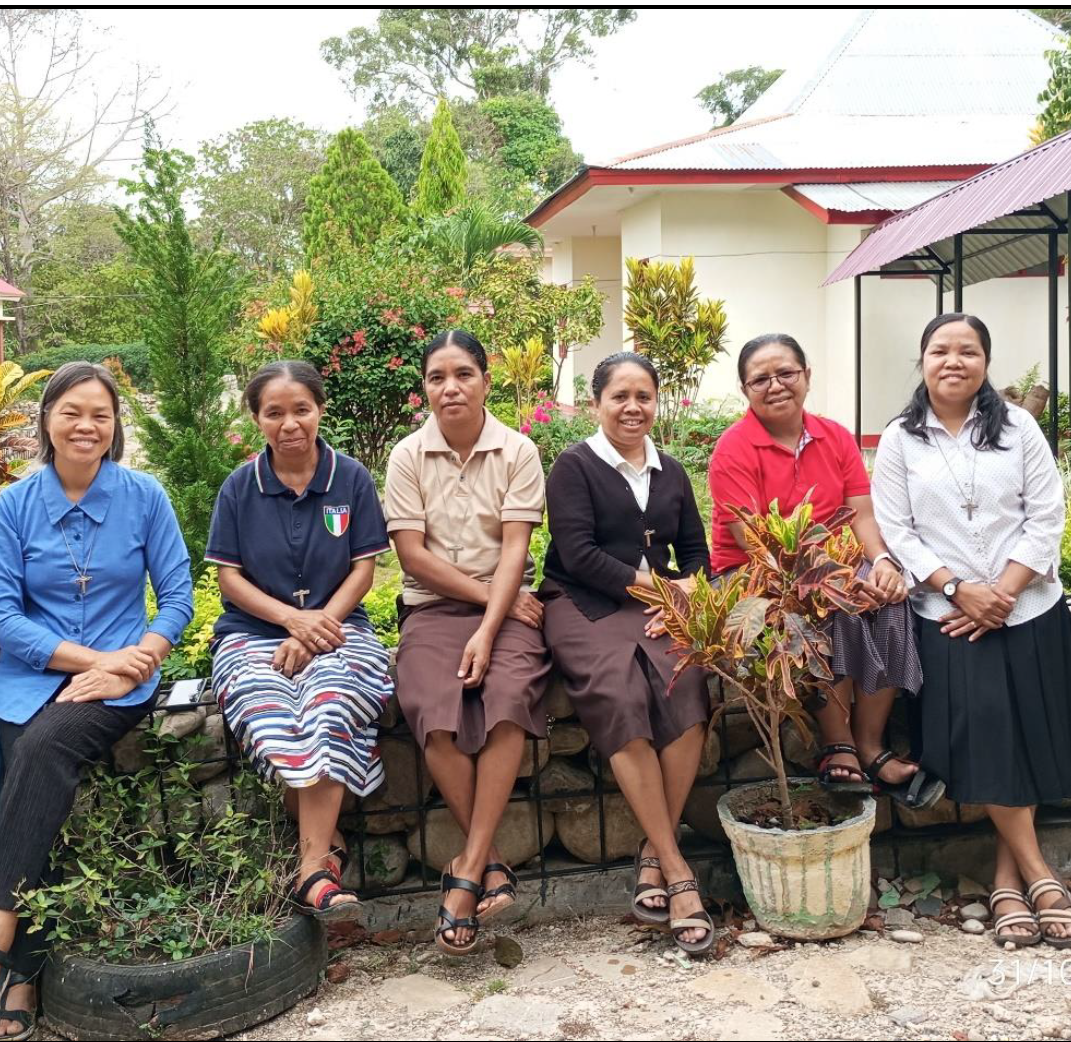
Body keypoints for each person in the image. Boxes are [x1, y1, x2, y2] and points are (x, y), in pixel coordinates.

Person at [0, 362, 195, 1039]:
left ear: (114, 429)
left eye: (101, 415)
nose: (86, 426)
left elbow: (177, 598)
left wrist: (133, 663)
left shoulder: (144, 497)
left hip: (122, 683)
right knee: (30, 774)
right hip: (31, 678)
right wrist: (97, 660)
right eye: (71, 412)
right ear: (46, 421)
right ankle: (24, 981)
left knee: (44, 747)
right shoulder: (14, 508)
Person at [872, 313, 1071, 949]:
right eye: (940, 350)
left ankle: (1004, 878)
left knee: (1025, 738)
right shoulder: (899, 440)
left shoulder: (1019, 427)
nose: (954, 361)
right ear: (923, 360)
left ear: (985, 363)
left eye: (968, 351)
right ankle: (1040, 876)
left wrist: (1004, 592)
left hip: (1028, 609)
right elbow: (897, 529)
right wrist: (956, 588)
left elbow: (1047, 514)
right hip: (949, 618)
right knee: (989, 734)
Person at [708, 333, 942, 810]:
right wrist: (831, 579)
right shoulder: (734, 449)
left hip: (835, 565)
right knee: (831, 608)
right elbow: (749, 539)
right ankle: (839, 743)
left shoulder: (834, 436)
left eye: (786, 373)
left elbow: (861, 514)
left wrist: (881, 563)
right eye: (760, 379)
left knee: (890, 601)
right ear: (745, 389)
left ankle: (871, 745)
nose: (775, 385)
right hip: (756, 576)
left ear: (807, 376)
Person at [539, 351, 716, 955]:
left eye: (644, 395)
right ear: (596, 403)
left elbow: (696, 549)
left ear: (656, 402)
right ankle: (676, 869)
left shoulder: (671, 472)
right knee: (619, 690)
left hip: (656, 604)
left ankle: (651, 855)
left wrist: (691, 584)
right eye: (620, 396)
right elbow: (580, 553)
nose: (633, 407)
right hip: (582, 602)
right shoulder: (573, 466)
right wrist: (663, 589)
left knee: (687, 686)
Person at [207, 360, 394, 920]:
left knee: (333, 700)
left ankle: (312, 866)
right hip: (252, 635)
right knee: (268, 711)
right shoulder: (240, 488)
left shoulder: (351, 478)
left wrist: (316, 630)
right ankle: (324, 851)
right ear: (257, 419)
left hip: (340, 627)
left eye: (301, 410)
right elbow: (229, 579)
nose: (290, 424)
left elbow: (364, 568)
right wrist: (293, 622)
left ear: (320, 409)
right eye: (275, 413)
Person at [383, 330, 550, 956]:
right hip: (434, 609)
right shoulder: (407, 456)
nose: (449, 387)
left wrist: (490, 624)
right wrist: (483, 608)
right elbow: (412, 557)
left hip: (509, 608)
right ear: (425, 387)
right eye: (436, 377)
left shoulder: (518, 450)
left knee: (507, 698)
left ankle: (467, 875)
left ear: (485, 380)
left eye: (462, 374)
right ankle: (490, 865)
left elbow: (516, 549)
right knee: (433, 708)